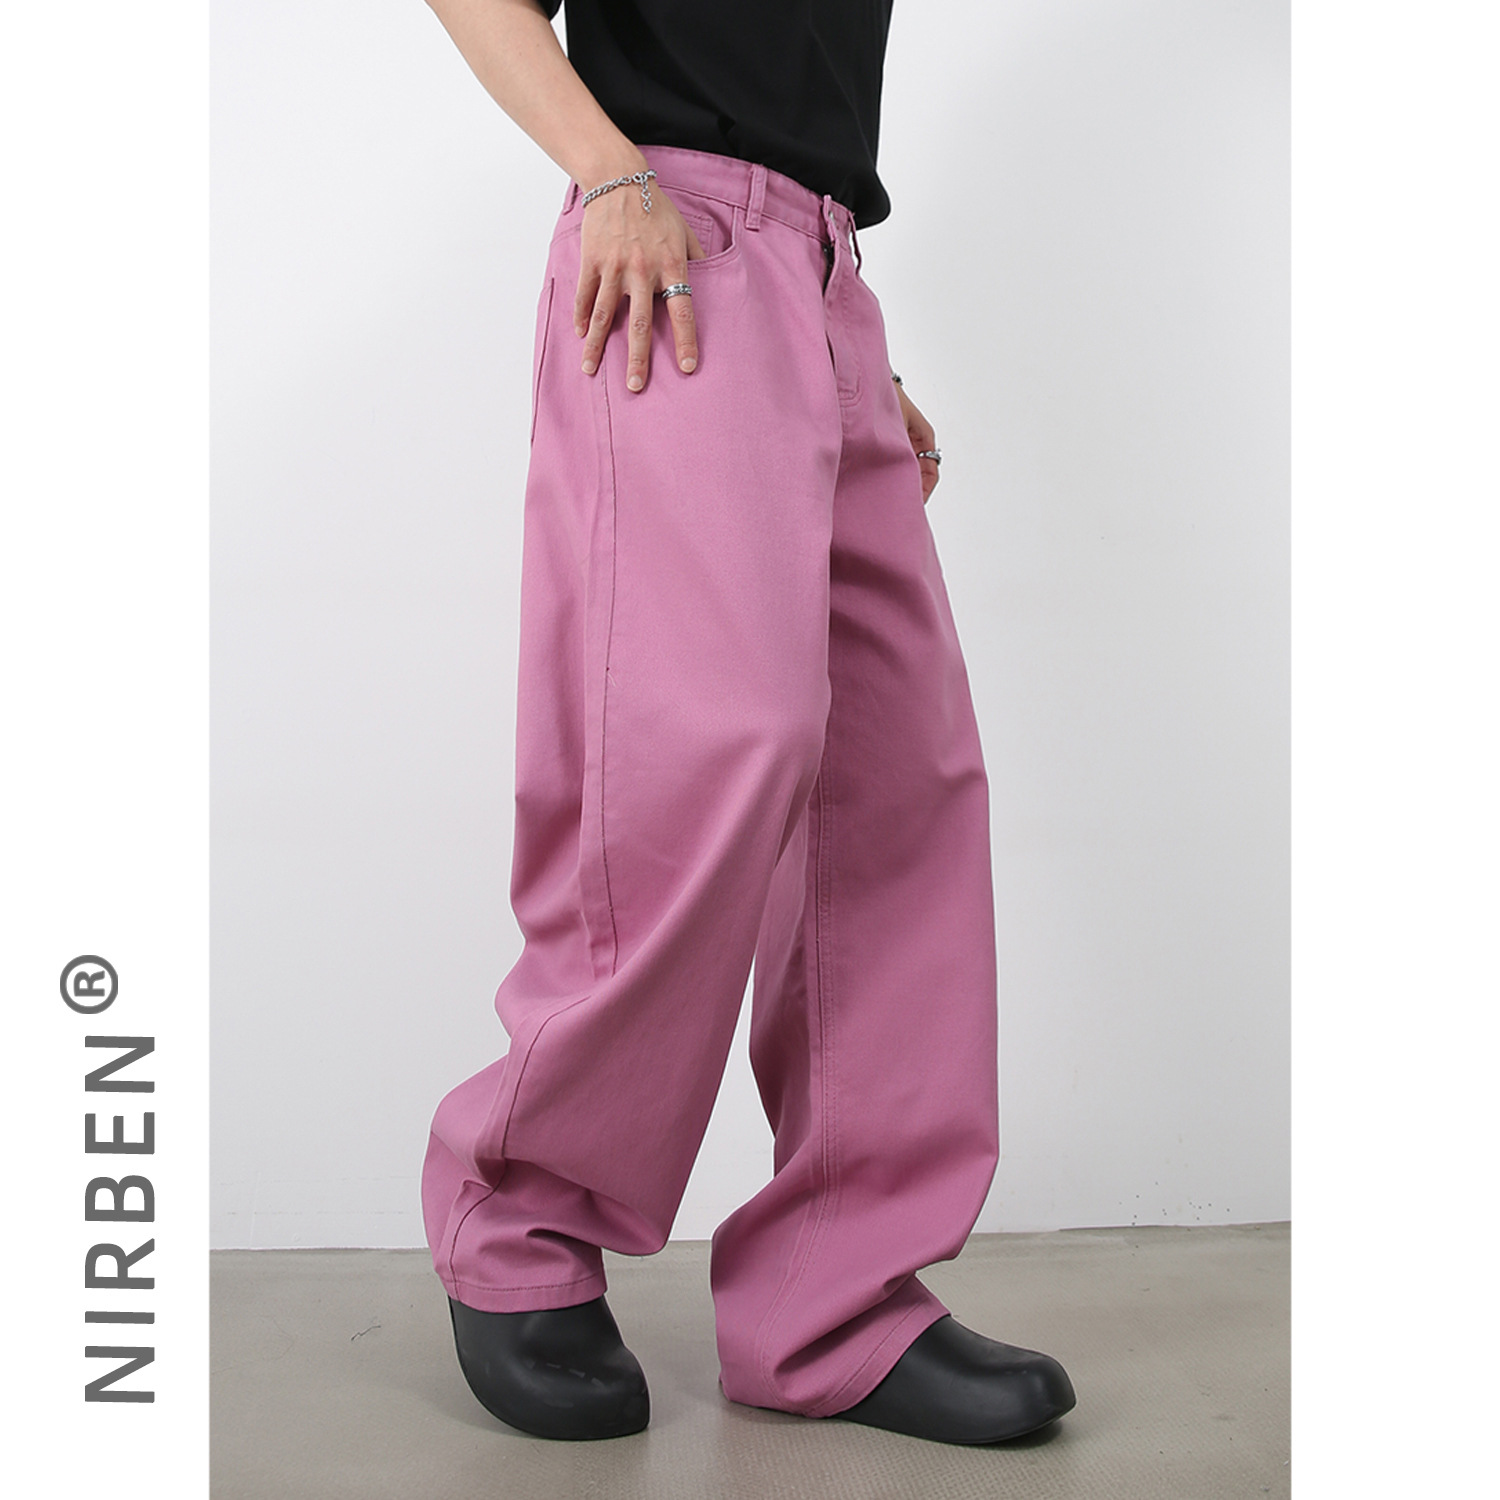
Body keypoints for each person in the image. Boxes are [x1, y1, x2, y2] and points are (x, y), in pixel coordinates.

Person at [417, 0, 1077, 1444]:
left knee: (897, 784)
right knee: (713, 746)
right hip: (668, 248)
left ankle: (832, 1301)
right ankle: (518, 1220)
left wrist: (840, 350)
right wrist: (610, 172)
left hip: (823, 281)